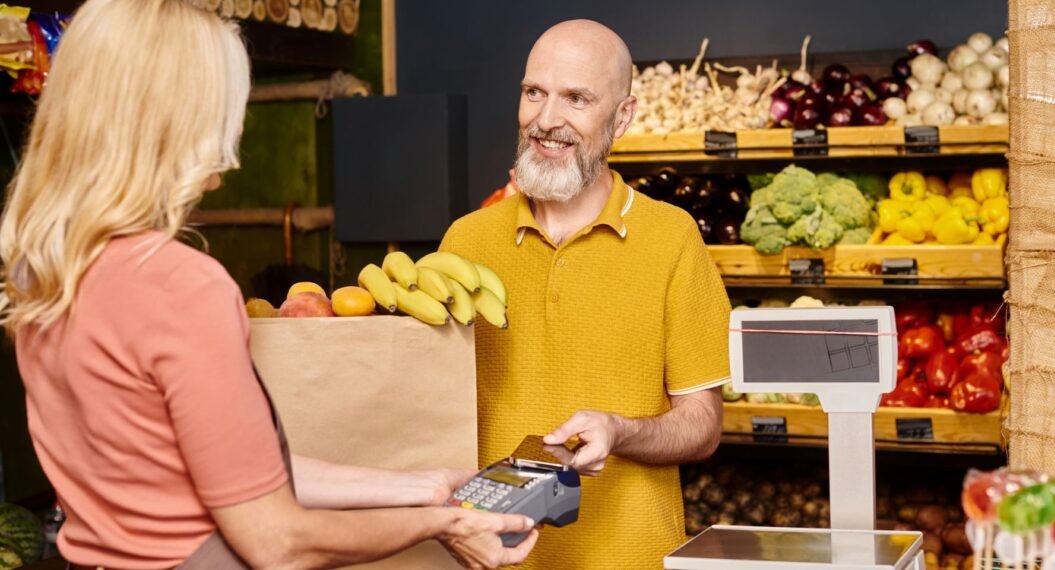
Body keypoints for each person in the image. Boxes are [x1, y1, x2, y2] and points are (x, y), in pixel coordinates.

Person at [0, 1, 536, 568]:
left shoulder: (44, 272)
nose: (228, 152)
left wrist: (422, 486)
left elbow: (235, 477)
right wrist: (443, 522)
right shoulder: (180, 286)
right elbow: (275, 539)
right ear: (172, 122)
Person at [440, 19, 730, 569]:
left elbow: (703, 425)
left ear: (622, 116)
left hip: (630, 558)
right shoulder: (466, 241)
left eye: (576, 98)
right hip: (489, 558)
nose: (547, 121)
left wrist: (620, 431)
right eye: (534, 93)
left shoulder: (671, 238)